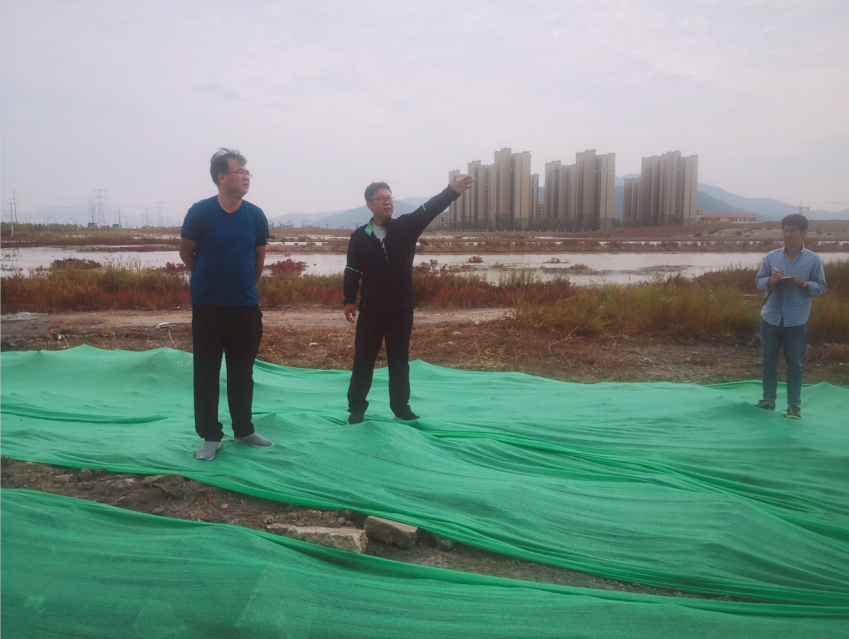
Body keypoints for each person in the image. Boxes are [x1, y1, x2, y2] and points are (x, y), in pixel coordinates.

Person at [343, 173, 474, 424]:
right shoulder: (359, 237)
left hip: (401, 309)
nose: (387, 202)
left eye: (390, 197)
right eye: (381, 199)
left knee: (399, 360)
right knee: (363, 360)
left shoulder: (405, 227)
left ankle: (401, 408)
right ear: (369, 205)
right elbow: (352, 269)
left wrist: (453, 190)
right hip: (371, 311)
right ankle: (356, 409)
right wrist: (349, 300)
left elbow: (429, 208)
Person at [180, 148, 273, 459]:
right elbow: (186, 252)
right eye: (240, 171)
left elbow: (258, 257)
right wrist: (208, 277)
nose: (246, 177)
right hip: (208, 306)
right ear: (222, 177)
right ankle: (210, 435)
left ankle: (243, 429)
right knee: (206, 372)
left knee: (242, 372)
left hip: (245, 306)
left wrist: (244, 285)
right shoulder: (201, 212)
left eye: (248, 172)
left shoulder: (255, 215)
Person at [754, 213, 826, 420]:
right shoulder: (771, 257)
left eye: (792, 231)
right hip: (771, 318)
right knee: (768, 362)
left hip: (796, 320)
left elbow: (821, 287)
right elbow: (759, 281)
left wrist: (803, 284)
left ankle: (794, 406)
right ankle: (768, 400)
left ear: (803, 234)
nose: (787, 234)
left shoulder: (813, 260)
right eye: (785, 230)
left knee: (794, 364)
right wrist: (771, 280)